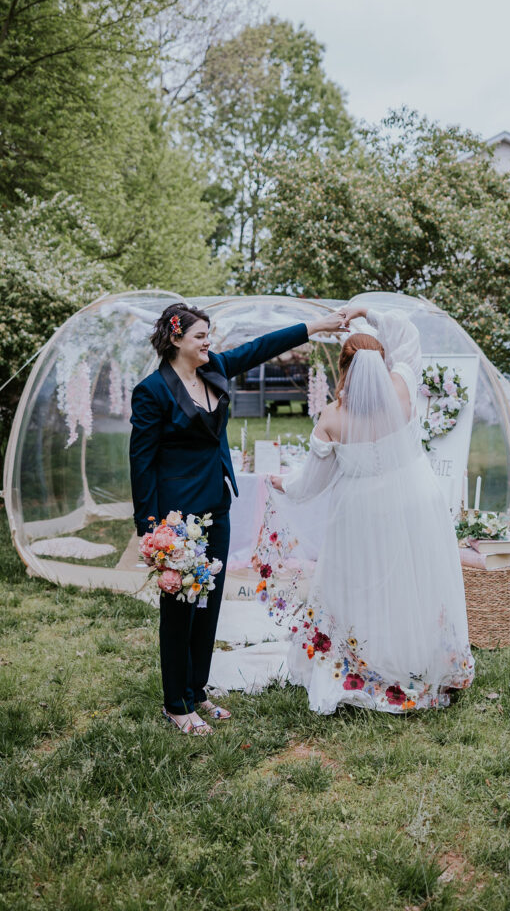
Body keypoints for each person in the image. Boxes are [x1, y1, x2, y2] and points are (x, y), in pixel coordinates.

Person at [130, 301, 346, 735]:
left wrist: (317, 325)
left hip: (217, 505)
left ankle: (196, 691)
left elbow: (263, 347)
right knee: (180, 609)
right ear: (175, 340)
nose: (208, 342)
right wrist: (153, 529)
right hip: (177, 519)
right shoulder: (152, 391)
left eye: (209, 335)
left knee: (208, 605)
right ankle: (175, 703)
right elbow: (141, 462)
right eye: (199, 336)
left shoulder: (215, 369)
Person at [270, 304, 474, 714]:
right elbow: (409, 336)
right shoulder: (402, 391)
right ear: (382, 362)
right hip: (415, 500)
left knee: (361, 587)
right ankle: (417, 665)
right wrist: (368, 313)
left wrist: (284, 484)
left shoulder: (331, 417)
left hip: (360, 510)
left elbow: (314, 481)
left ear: (343, 369)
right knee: (411, 584)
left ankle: (363, 668)